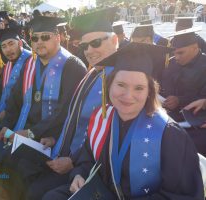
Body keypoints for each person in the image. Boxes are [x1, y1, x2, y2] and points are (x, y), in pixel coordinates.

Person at [43, 42, 204, 200]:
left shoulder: (169, 134)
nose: (128, 96)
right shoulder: (102, 118)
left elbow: (184, 194)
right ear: (109, 85)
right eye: (121, 85)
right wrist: (80, 174)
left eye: (139, 88)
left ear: (150, 91)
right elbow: (89, 157)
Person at [25, 8, 118, 200]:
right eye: (85, 46)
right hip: (67, 154)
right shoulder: (93, 74)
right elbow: (73, 117)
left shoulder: (122, 80)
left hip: (96, 170)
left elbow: (112, 137)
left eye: (96, 43)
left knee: (37, 191)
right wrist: (55, 139)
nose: (90, 51)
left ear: (115, 40)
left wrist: (74, 162)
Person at [0, 16, 87, 200]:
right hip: (31, 133)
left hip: (54, 138)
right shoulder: (31, 65)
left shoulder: (72, 66)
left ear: (58, 37)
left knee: (22, 168)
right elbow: (15, 100)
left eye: (45, 37)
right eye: (34, 38)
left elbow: (64, 112)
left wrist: (29, 133)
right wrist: (6, 124)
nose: (39, 42)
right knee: (1, 152)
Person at [161, 27, 206, 121]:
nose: (176, 57)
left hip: (197, 118)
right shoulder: (171, 62)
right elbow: (165, 86)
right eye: (174, 53)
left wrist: (180, 100)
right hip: (170, 115)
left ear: (195, 48)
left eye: (181, 53)